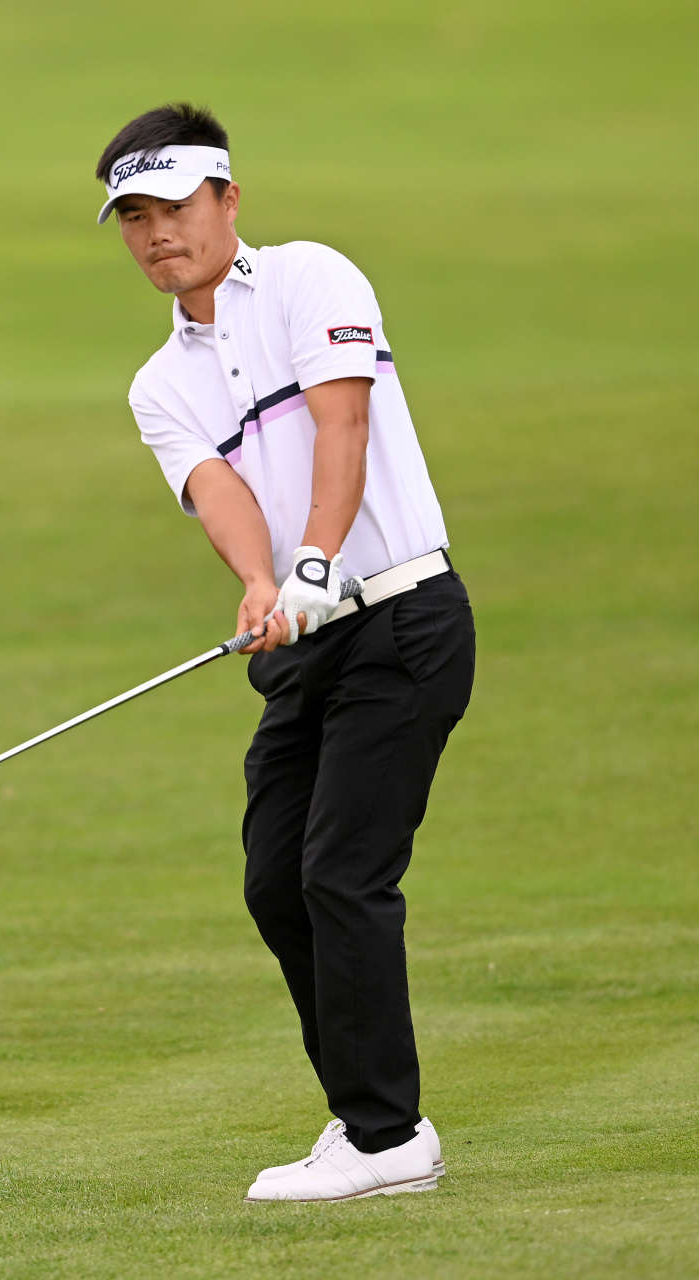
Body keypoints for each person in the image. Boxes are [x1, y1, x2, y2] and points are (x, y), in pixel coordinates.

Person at [95, 103, 477, 1203]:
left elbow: (342, 424)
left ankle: (385, 1135)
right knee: (277, 881)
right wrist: (264, 583)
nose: (158, 233)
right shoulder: (158, 384)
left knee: (342, 872)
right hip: (308, 644)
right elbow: (218, 492)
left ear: (228, 199)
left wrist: (314, 558)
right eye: (135, 217)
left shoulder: (312, 277)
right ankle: (370, 1120)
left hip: (400, 617)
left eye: (175, 206)